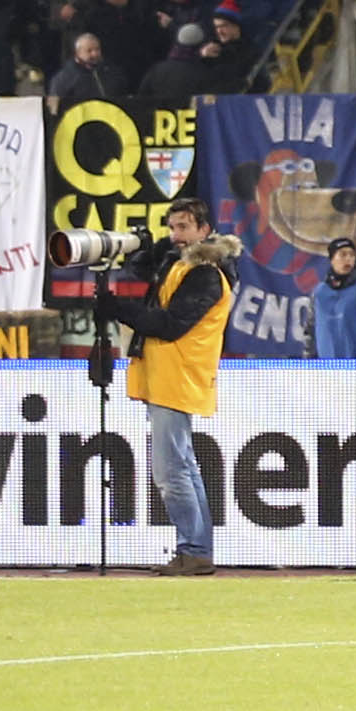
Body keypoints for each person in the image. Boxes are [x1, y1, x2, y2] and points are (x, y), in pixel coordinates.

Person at [92, 201, 235, 573]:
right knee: (183, 467)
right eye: (172, 228)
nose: (176, 236)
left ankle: (193, 550)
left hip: (177, 377)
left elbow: (170, 325)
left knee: (171, 472)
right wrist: (145, 246)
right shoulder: (181, 264)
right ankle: (197, 551)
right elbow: (139, 270)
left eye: (184, 227)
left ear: (205, 230)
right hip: (169, 376)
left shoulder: (204, 275)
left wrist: (117, 308)